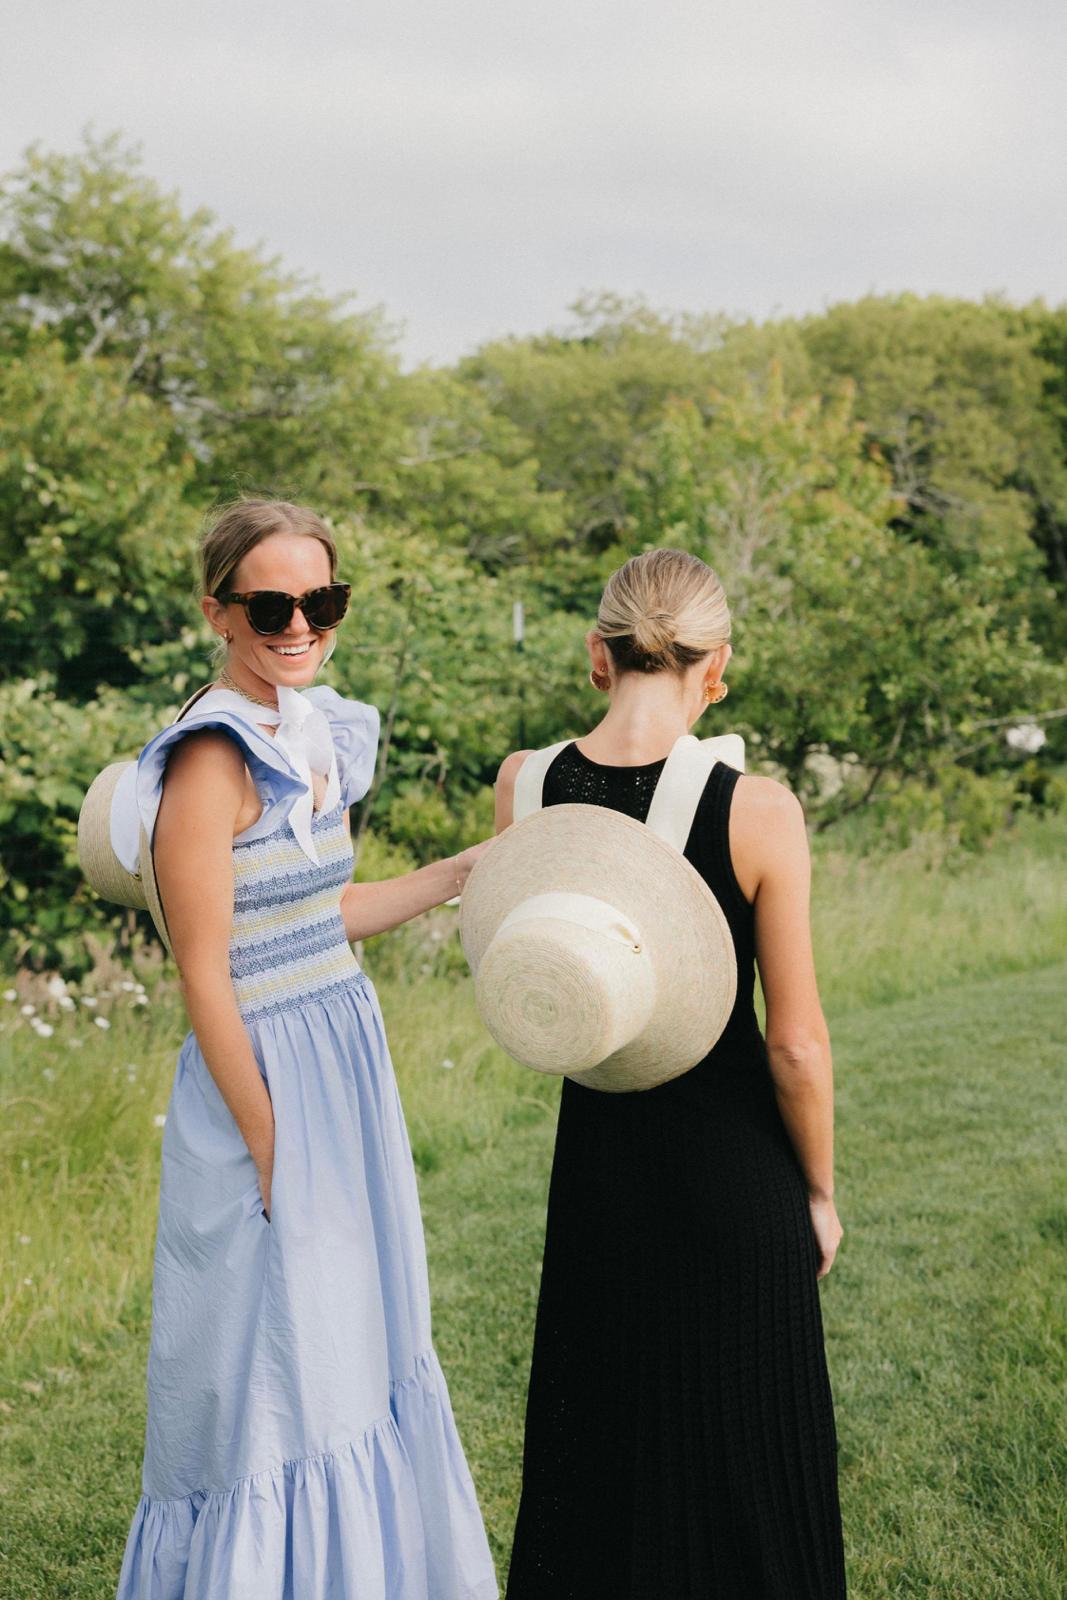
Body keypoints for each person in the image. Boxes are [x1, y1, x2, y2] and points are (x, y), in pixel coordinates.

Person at [113, 500, 498, 1600]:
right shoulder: (210, 763)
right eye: (270, 604)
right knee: (272, 1371)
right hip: (264, 1088)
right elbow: (207, 974)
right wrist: (273, 1143)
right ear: (217, 611)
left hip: (343, 1067)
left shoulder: (315, 726)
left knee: (355, 1353)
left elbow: (311, 915)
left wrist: (458, 870)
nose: (298, 625)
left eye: (318, 602)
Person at [496, 549, 847, 1599]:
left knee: (597, 1454)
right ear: (718, 669)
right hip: (730, 1170)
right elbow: (793, 1043)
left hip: (598, 1165)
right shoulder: (758, 810)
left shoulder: (525, 785)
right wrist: (818, 1191)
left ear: (595, 659)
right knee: (746, 1462)